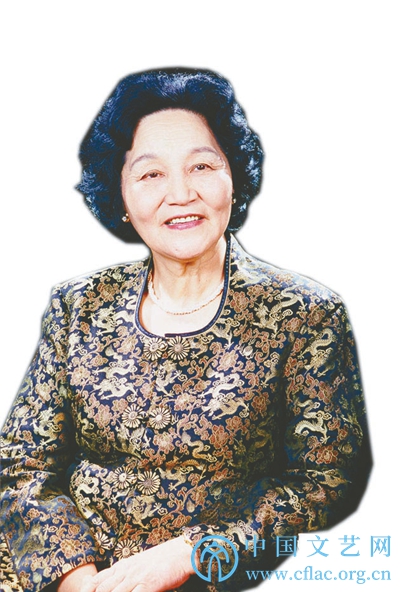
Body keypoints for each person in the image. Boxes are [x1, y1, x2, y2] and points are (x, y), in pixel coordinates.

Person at [0, 67, 371, 592]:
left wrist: (195, 551)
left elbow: (325, 480)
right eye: (151, 174)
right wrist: (75, 580)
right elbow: (22, 464)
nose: (180, 193)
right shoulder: (77, 305)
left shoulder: (305, 314)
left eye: (201, 166)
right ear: (120, 195)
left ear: (233, 176)